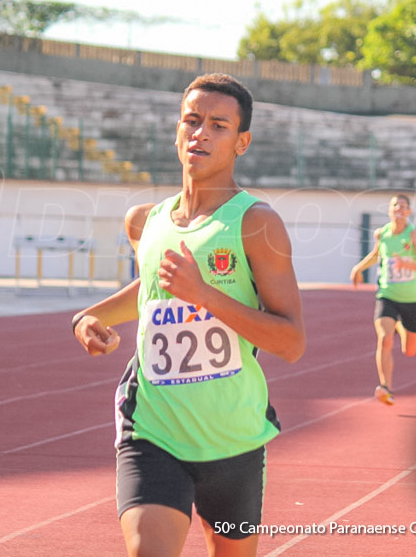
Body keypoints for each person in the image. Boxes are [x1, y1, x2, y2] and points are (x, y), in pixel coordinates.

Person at [71, 73, 305, 557]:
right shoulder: (145, 221)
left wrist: (207, 295)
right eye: (192, 121)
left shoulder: (256, 223)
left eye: (218, 125)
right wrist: (89, 318)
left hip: (232, 433)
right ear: (177, 131)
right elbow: (154, 289)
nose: (200, 133)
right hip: (152, 427)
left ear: (242, 142)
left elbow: (290, 342)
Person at [350, 194, 416, 406]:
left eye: (404, 206)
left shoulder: (413, 235)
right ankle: (385, 386)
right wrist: (359, 267)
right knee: (385, 338)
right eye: (395, 205)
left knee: (410, 350)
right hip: (387, 294)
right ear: (389, 210)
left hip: (412, 298)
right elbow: (377, 255)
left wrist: (407, 265)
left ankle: (401, 327)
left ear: (409, 212)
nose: (399, 209)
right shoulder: (382, 234)